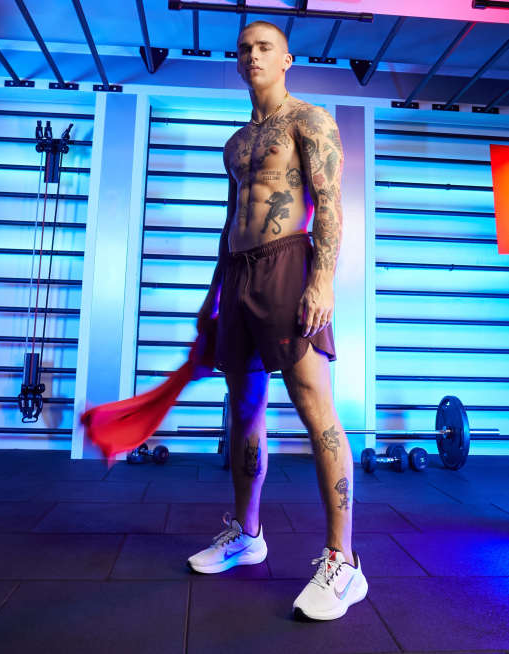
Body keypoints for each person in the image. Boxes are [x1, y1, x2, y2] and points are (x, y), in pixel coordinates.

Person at [187, 19, 368, 621]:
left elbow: (331, 203)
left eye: (265, 47)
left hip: (289, 265)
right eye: (244, 49)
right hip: (239, 276)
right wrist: (213, 295)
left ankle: (343, 561)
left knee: (315, 406)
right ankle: (247, 534)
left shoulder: (309, 120)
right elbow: (231, 220)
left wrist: (322, 280)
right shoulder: (236, 144)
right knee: (244, 409)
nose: (253, 56)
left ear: (287, 59)